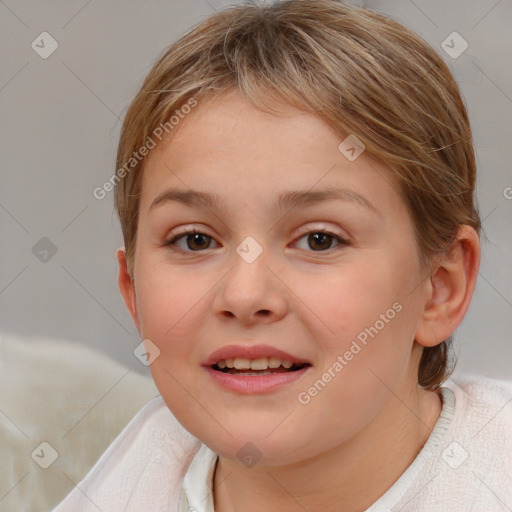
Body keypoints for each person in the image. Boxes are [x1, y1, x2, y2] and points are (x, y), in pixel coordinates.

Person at [52, 1, 512, 510]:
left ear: (439, 288)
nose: (245, 295)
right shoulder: (127, 485)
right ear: (133, 288)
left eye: (319, 239)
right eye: (195, 240)